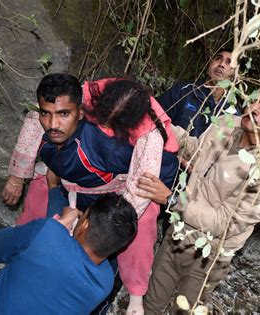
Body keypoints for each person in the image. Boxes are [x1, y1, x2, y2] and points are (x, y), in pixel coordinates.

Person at [138, 80, 260, 314]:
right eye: (254, 100)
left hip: (207, 259)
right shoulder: (226, 123)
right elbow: (195, 150)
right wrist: (160, 120)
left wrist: (172, 201)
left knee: (183, 312)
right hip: (177, 235)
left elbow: (224, 224)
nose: (254, 109)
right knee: (149, 305)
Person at [37, 75, 179, 315]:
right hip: (95, 182)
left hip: (141, 185)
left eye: (115, 126)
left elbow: (136, 198)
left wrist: (103, 236)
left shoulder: (149, 139)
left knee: (133, 229)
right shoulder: (88, 93)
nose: (107, 129)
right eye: (104, 122)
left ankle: (130, 298)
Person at [0, 194, 138, 315]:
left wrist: (64, 221)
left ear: (83, 225)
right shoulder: (104, 282)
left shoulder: (47, 233)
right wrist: (53, 193)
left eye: (83, 217)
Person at [157, 49, 236, 137]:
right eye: (218, 59)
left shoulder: (232, 114)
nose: (221, 64)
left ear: (234, 75)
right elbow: (156, 118)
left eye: (228, 62)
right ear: (209, 64)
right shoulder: (184, 91)